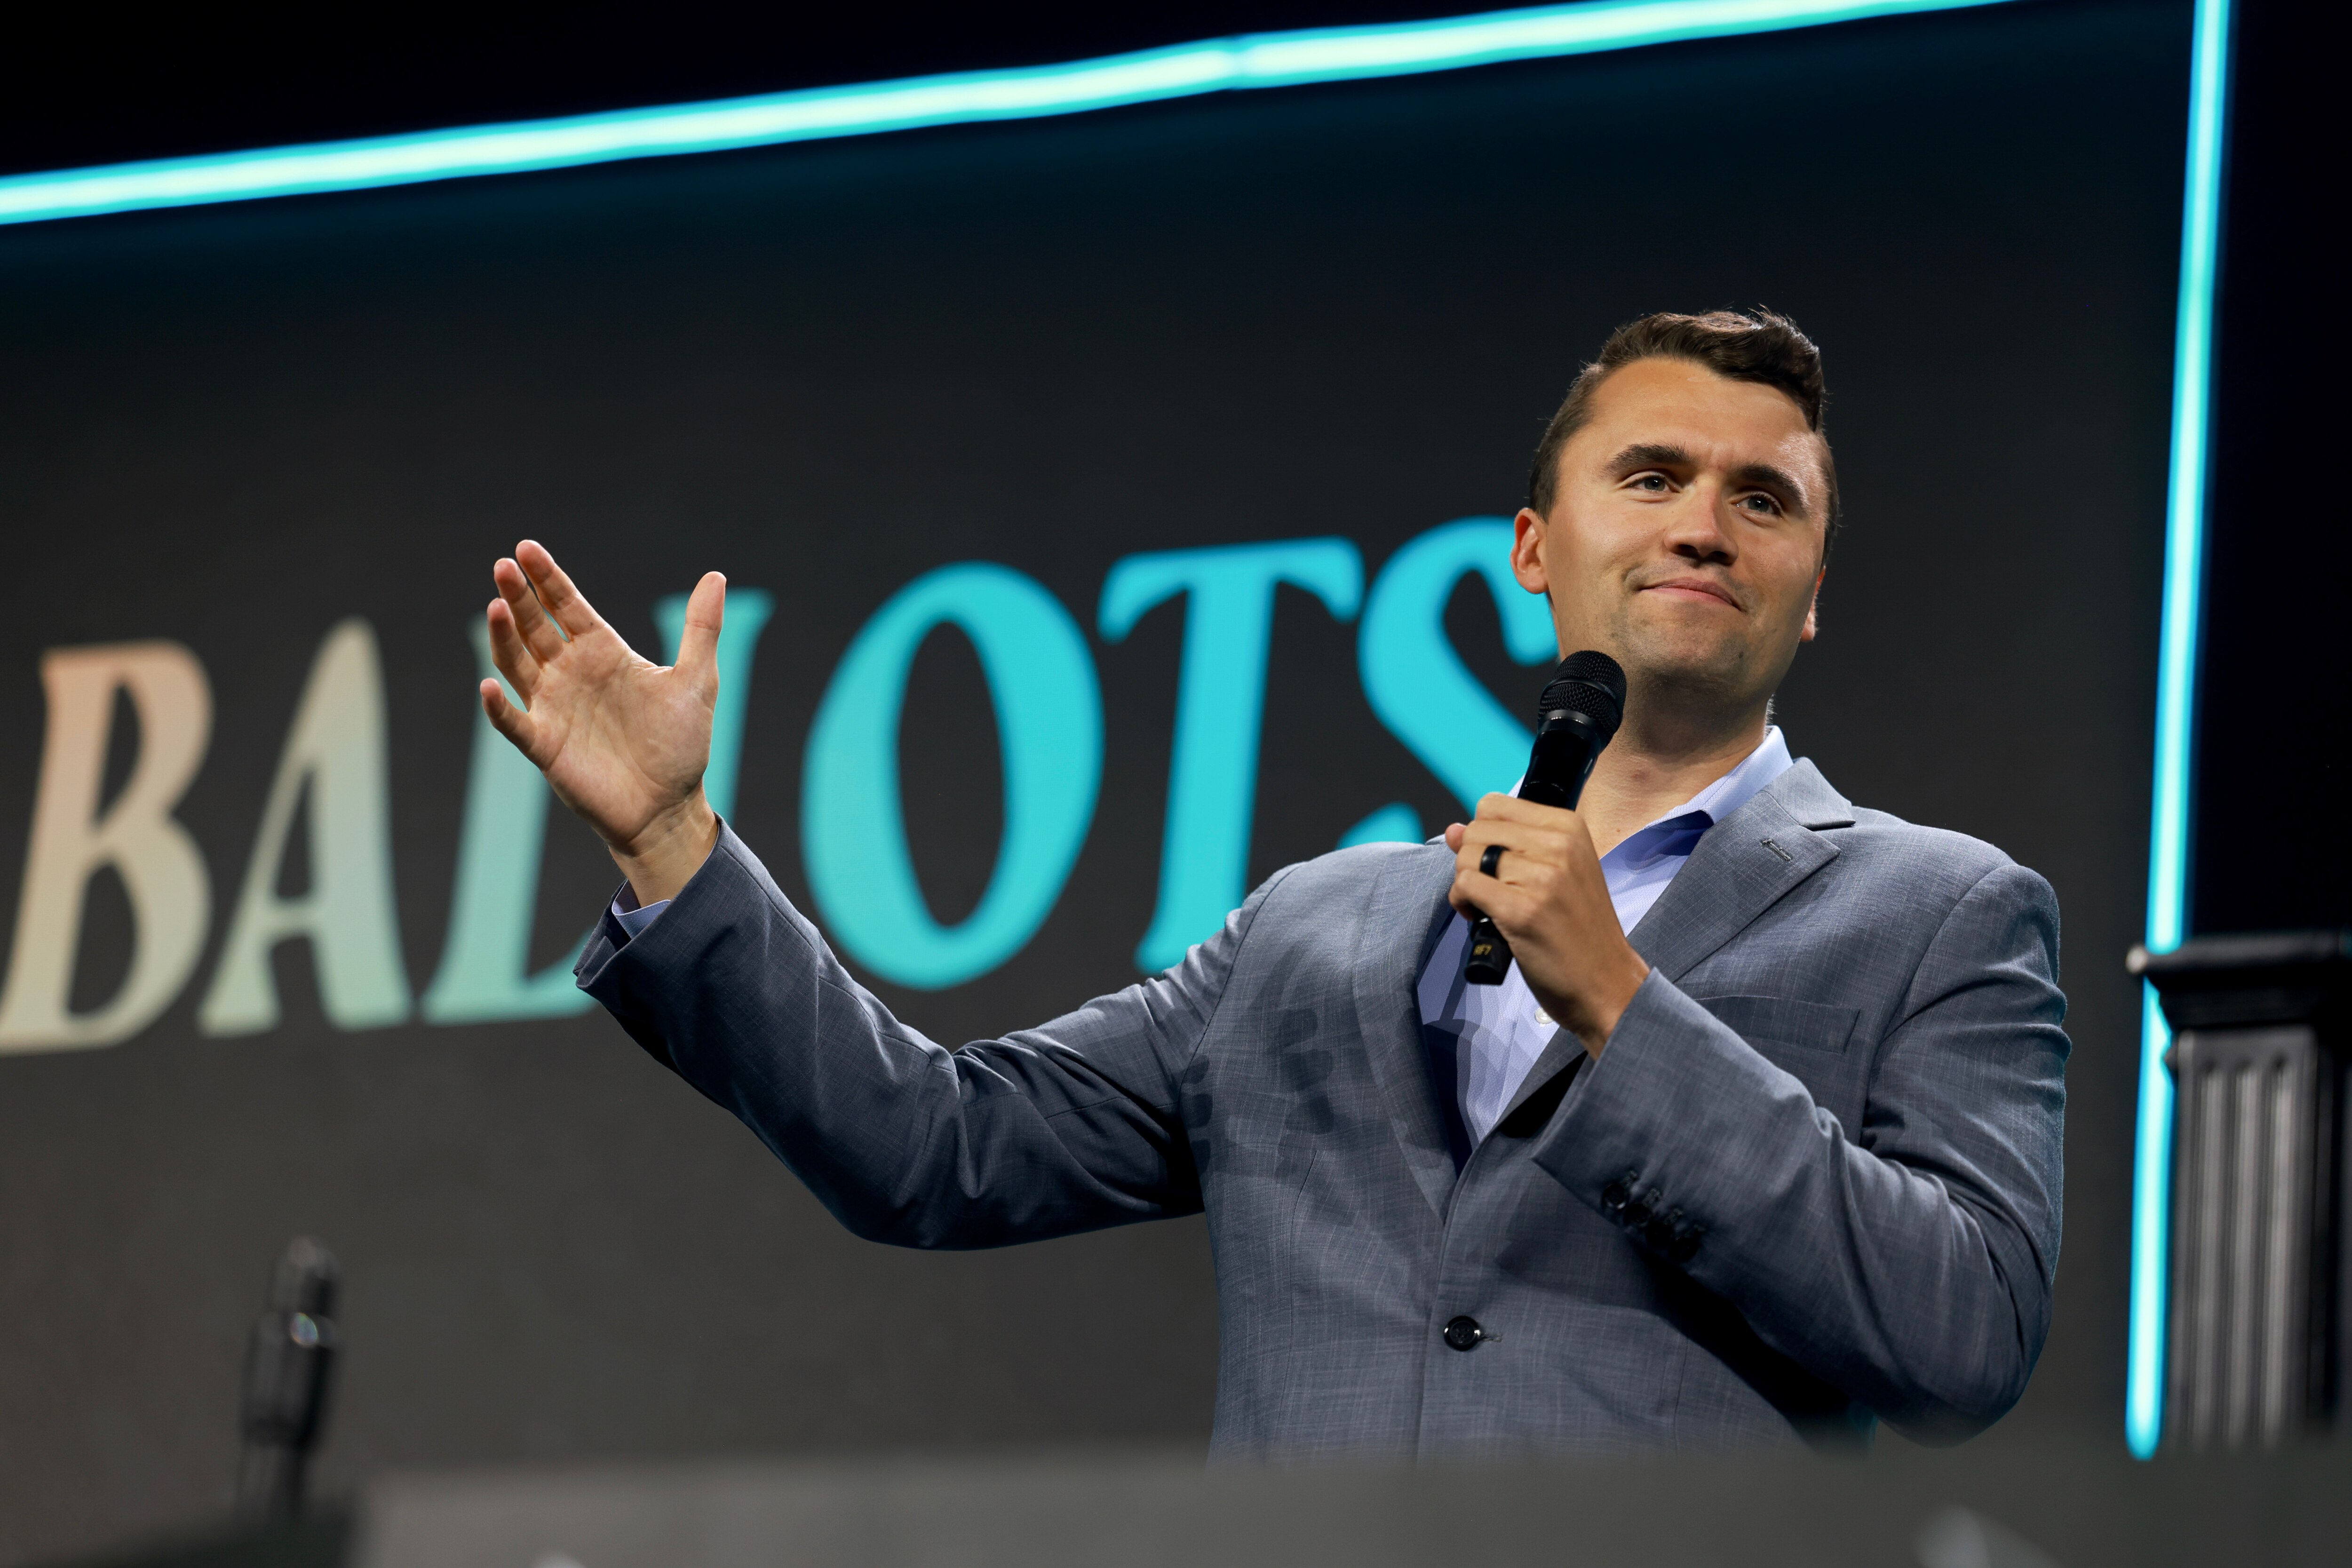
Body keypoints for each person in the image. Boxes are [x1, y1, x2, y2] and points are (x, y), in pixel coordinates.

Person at [477, 309, 2066, 1457]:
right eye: (1650, 476)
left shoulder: (1943, 913)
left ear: (1811, 605)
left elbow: (1967, 1337)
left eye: (1762, 498)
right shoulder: (1316, 924)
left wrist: (1627, 1013)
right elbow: (932, 1148)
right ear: (1533, 547)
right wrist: (671, 839)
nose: (1703, 525)